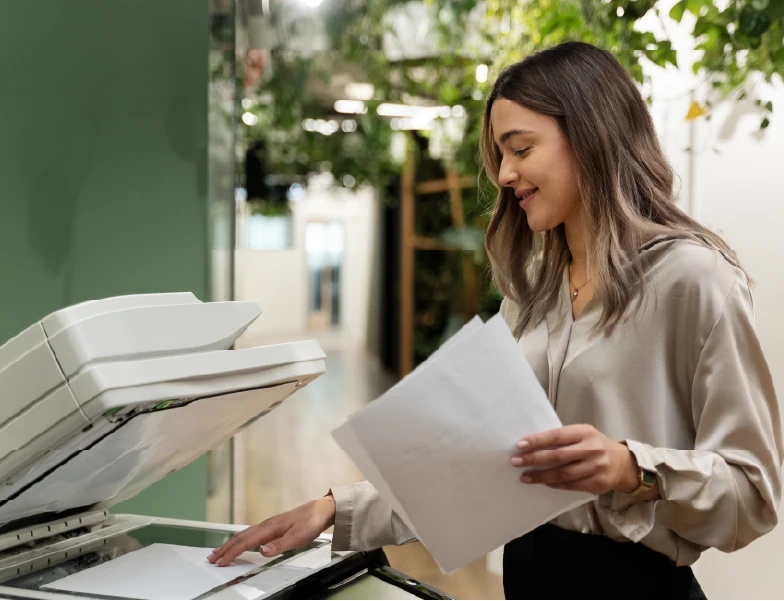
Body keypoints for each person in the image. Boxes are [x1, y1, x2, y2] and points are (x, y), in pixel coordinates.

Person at [208, 42, 783, 600]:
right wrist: (334, 511)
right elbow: (469, 467)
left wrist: (632, 469)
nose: (505, 174)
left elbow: (754, 494)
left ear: (591, 138)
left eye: (521, 148)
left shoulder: (693, 280)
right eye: (500, 156)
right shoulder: (534, 292)